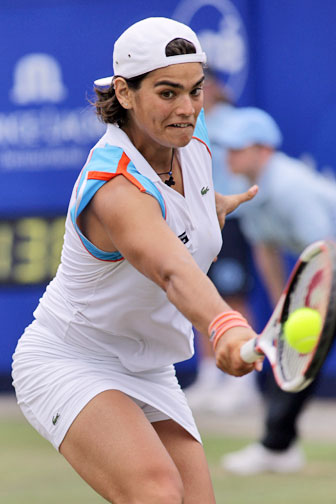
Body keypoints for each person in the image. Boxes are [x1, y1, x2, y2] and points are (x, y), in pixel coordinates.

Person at [11, 17, 261, 503]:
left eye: (196, 91)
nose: (187, 109)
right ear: (124, 93)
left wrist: (208, 207)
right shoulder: (115, 186)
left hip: (149, 367)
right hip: (70, 358)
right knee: (157, 493)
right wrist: (224, 325)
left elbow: (179, 220)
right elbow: (170, 269)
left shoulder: (193, 137)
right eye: (167, 93)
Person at [217, 106, 336, 474]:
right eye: (228, 147)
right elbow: (265, 250)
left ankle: (276, 446)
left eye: (239, 147)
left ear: (264, 150)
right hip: (328, 271)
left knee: (296, 350)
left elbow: (325, 251)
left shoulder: (290, 187)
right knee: (292, 350)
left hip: (331, 264)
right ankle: (277, 447)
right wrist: (281, 307)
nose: (230, 155)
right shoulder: (248, 191)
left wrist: (309, 306)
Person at [185, 70, 259, 414]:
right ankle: (209, 375)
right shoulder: (188, 123)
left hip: (233, 219)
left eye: (199, 85)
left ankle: (242, 381)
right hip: (200, 220)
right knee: (201, 293)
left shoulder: (236, 122)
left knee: (232, 297)